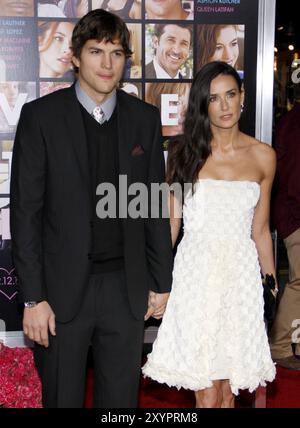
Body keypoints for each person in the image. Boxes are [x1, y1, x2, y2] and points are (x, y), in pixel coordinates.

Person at [10, 9, 173, 408]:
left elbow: (151, 204)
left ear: (126, 60)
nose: (107, 63)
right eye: (96, 51)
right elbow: (25, 214)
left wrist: (162, 280)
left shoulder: (144, 120)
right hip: (61, 294)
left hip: (125, 288)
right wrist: (33, 298)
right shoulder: (41, 118)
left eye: (116, 54)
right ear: (76, 57)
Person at [142, 61, 277, 408]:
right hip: (196, 275)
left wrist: (270, 284)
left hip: (240, 277)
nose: (225, 106)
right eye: (214, 99)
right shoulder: (184, 153)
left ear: (242, 96)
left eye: (230, 95)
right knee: (205, 388)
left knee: (229, 389)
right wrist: (159, 282)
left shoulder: (264, 157)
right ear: (203, 105)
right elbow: (171, 224)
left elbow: (260, 229)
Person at [270, 82, 300, 370]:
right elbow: (294, 180)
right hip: (295, 216)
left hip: (292, 213)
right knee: (299, 282)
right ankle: (279, 346)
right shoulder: (296, 123)